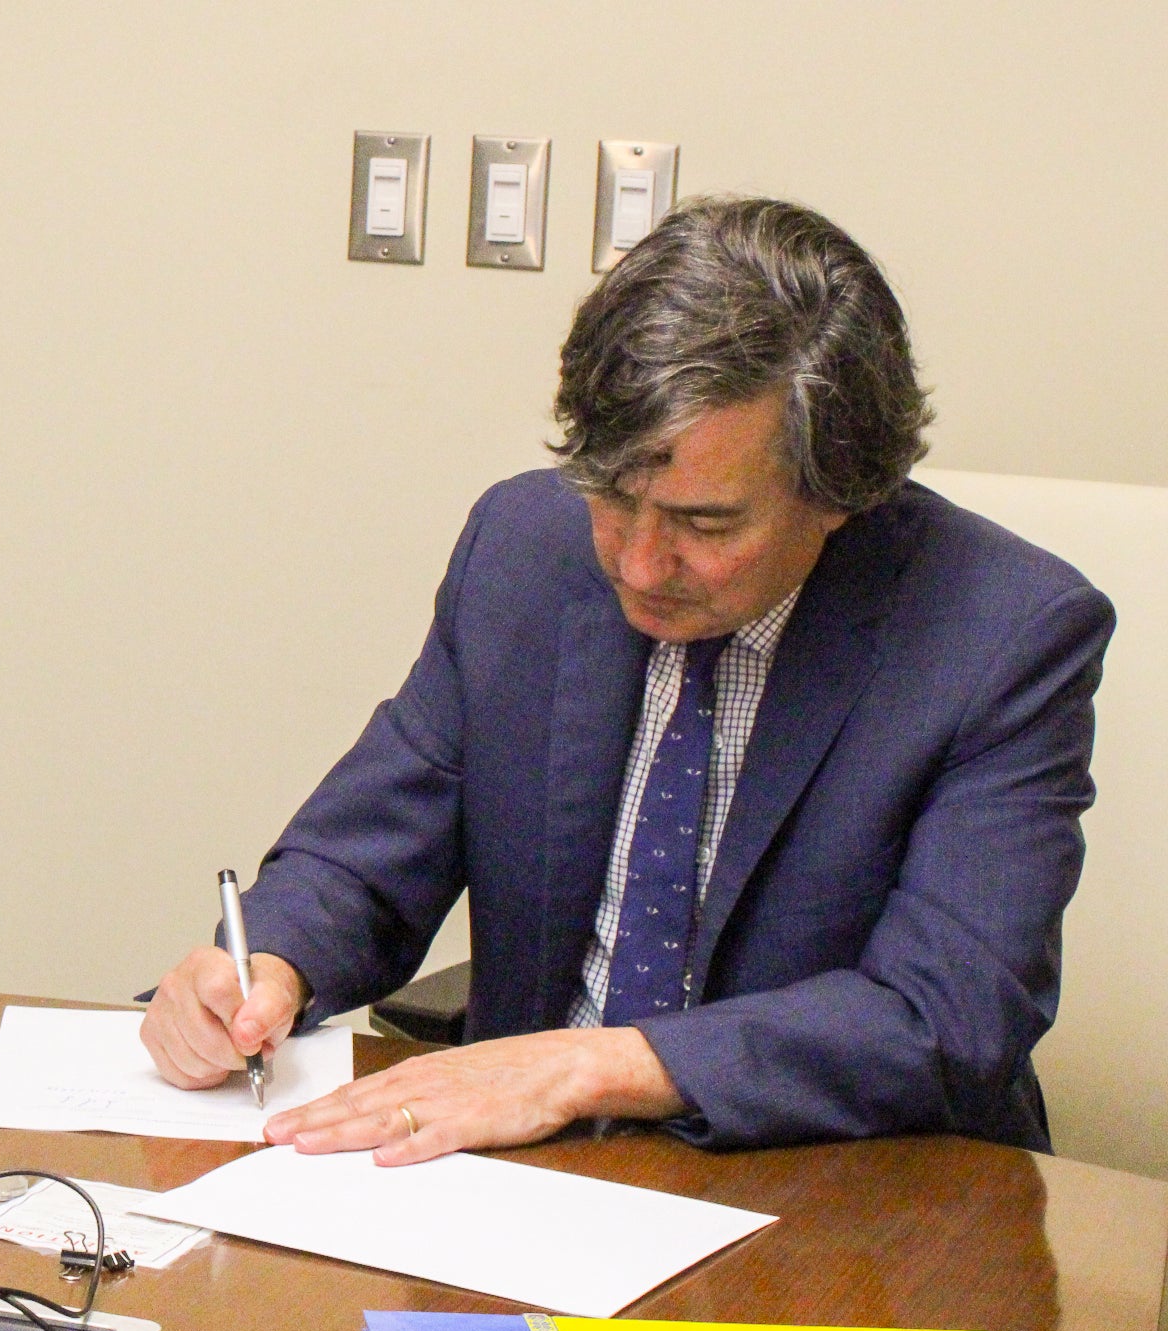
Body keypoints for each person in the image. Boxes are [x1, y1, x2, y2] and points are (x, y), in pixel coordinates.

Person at [139, 196, 1109, 1166]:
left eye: (706, 524)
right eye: (611, 494)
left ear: (842, 494)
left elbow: (946, 1015)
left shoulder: (999, 635)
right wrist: (266, 963)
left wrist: (591, 1065)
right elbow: (368, 855)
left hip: (846, 1198)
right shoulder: (523, 547)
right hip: (528, 1173)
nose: (638, 565)